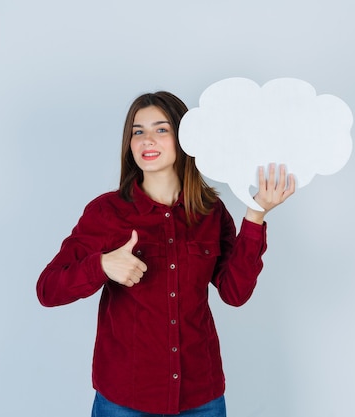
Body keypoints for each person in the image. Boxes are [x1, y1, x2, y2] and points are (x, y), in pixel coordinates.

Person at [36, 91, 295, 416]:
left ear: (185, 138)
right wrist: (101, 265)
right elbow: (48, 289)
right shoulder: (107, 212)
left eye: (161, 129)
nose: (147, 140)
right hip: (125, 401)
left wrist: (256, 214)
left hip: (201, 399)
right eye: (138, 131)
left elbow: (235, 292)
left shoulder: (210, 212)